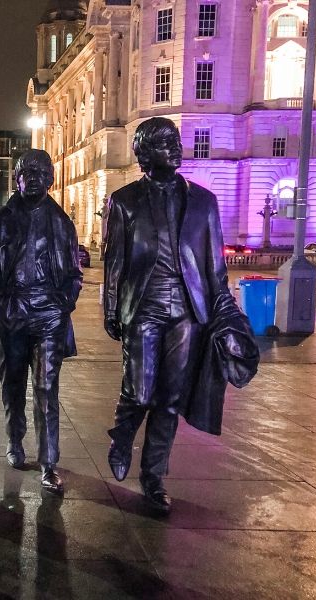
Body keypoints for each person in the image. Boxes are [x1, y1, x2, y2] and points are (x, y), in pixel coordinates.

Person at [103, 117, 235, 515]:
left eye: (175, 141)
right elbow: (115, 262)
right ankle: (123, 434)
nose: (174, 148)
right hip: (143, 306)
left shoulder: (204, 202)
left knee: (170, 397)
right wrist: (111, 307)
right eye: (162, 143)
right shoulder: (124, 201)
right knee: (139, 391)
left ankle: (154, 475)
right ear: (144, 152)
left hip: (187, 311)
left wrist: (224, 313)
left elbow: (215, 268)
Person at [0, 149, 82, 495]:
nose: (33, 178)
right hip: (10, 314)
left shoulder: (62, 223)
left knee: (46, 388)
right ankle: (14, 438)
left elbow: (73, 274)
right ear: (17, 179)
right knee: (12, 385)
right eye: (26, 172)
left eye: (40, 172)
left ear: (50, 179)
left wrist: (64, 302)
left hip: (48, 317)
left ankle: (49, 461)